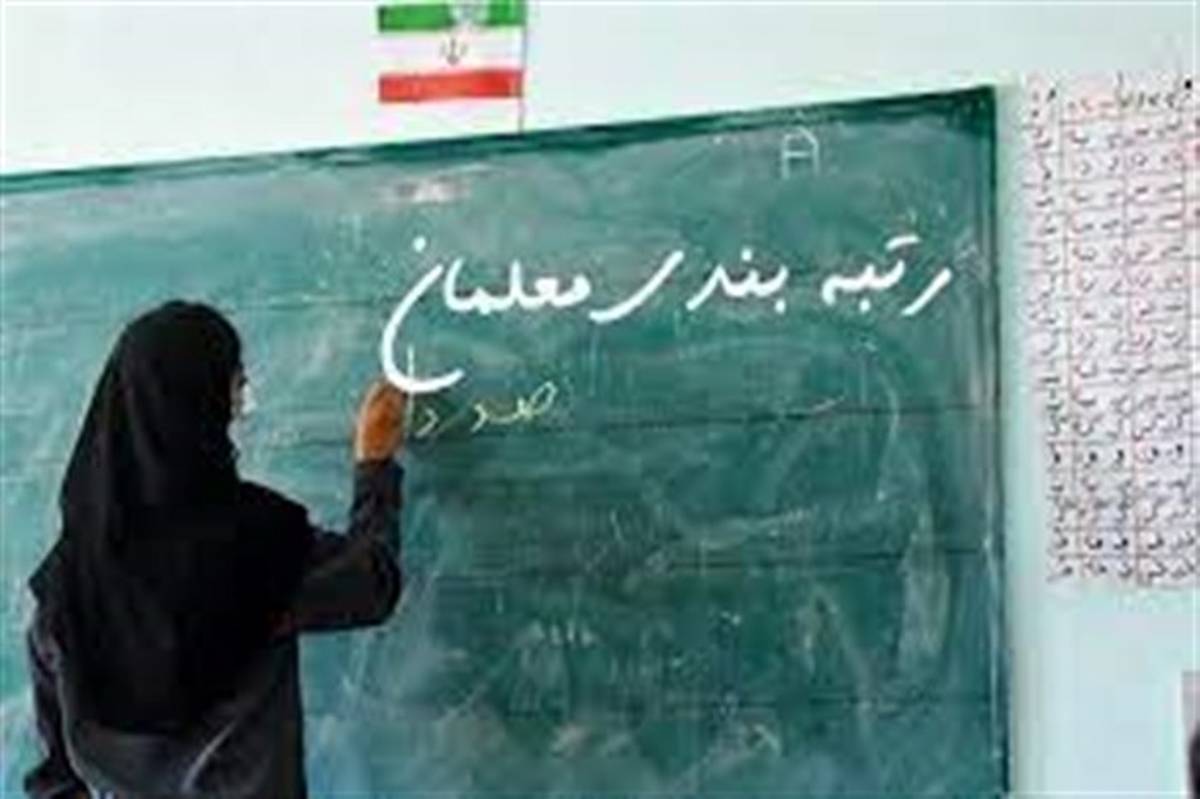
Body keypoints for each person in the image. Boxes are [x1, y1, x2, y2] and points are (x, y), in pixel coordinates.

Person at [23, 301, 407, 799]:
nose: (241, 408)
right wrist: (375, 467)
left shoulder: (66, 588)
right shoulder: (259, 547)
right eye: (235, 388)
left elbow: (55, 781)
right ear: (200, 404)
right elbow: (372, 585)